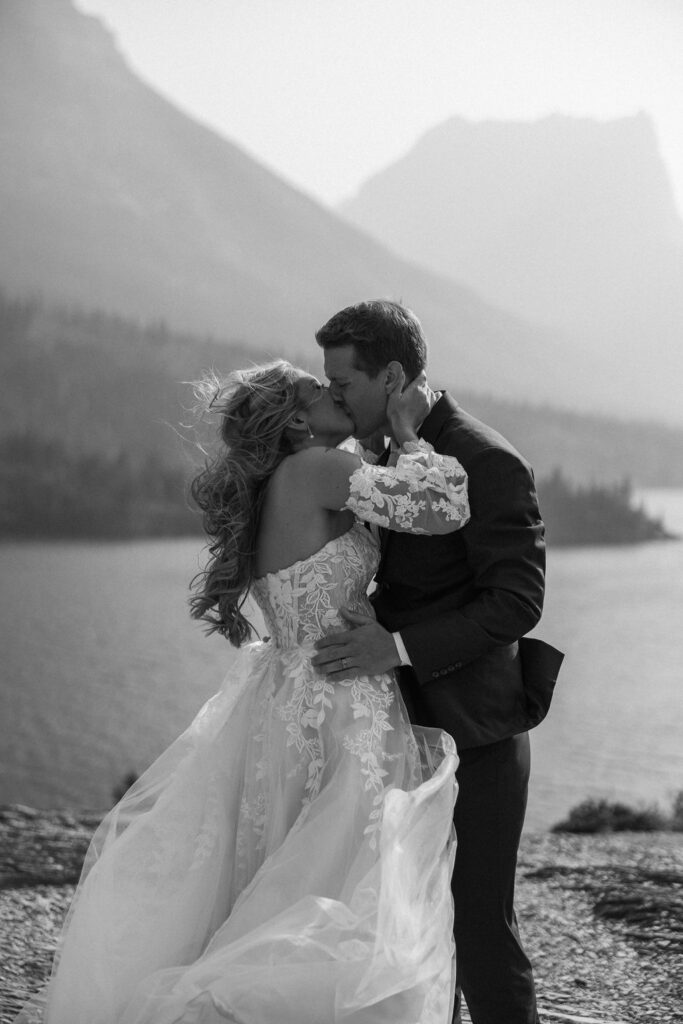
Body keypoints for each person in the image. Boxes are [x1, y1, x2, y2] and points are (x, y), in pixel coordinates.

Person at [16, 359, 472, 1024]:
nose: (333, 389)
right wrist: (408, 433)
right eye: (318, 389)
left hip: (288, 697)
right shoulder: (317, 470)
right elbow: (441, 508)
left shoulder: (285, 479)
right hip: (338, 704)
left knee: (289, 871)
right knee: (340, 879)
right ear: (294, 419)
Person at [313, 299, 564, 1024]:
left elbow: (516, 603)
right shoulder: (385, 452)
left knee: (478, 929)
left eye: (342, 384)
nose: (332, 397)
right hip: (397, 729)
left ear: (391, 376)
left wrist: (389, 647)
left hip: (476, 733)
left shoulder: (484, 458)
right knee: (405, 926)